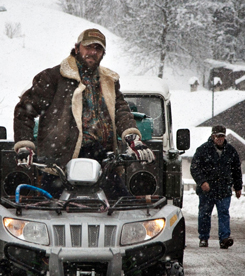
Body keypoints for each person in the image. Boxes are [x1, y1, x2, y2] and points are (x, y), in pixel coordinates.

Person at [12, 28, 153, 193]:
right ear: (77, 48)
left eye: (98, 48)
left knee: (123, 205)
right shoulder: (53, 77)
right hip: (60, 163)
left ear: (103, 53)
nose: (93, 52)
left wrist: (133, 139)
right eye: (88, 46)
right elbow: (24, 111)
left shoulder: (109, 81)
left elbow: (121, 111)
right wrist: (24, 145)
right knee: (52, 207)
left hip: (102, 160)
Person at [190, 125, 243, 249]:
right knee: (204, 214)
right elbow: (194, 168)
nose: (220, 138)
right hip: (207, 191)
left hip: (224, 189)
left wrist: (238, 187)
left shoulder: (231, 151)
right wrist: (202, 182)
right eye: (217, 136)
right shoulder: (203, 150)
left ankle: (224, 238)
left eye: (222, 136)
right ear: (212, 136)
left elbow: (236, 170)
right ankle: (203, 238)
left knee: (224, 213)